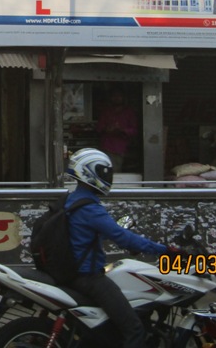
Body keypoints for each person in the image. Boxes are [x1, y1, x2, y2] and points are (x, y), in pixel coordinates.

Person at [65, 148, 176, 348]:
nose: (107, 177)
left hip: (74, 273)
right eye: (103, 172)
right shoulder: (90, 208)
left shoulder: (73, 200)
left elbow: (106, 232)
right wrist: (165, 250)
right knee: (133, 328)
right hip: (89, 278)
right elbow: (122, 236)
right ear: (88, 172)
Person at [95, 87, 137, 173]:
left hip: (121, 149)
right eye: (114, 96)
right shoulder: (106, 112)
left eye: (119, 96)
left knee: (117, 174)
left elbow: (134, 131)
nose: (116, 98)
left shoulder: (129, 113)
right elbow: (99, 128)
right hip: (106, 147)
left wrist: (122, 130)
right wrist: (107, 129)